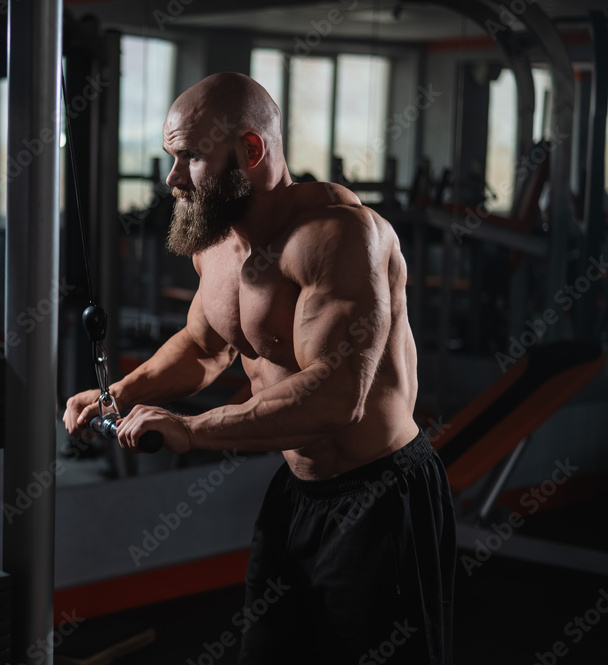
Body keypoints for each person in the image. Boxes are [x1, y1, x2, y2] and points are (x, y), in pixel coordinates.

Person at [63, 73, 455, 664]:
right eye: (172, 157)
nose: (172, 179)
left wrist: (191, 430)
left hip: (381, 499)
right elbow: (202, 344)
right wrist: (117, 392)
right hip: (297, 494)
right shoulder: (217, 245)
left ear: (251, 151)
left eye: (190, 157)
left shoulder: (339, 237)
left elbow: (333, 399)